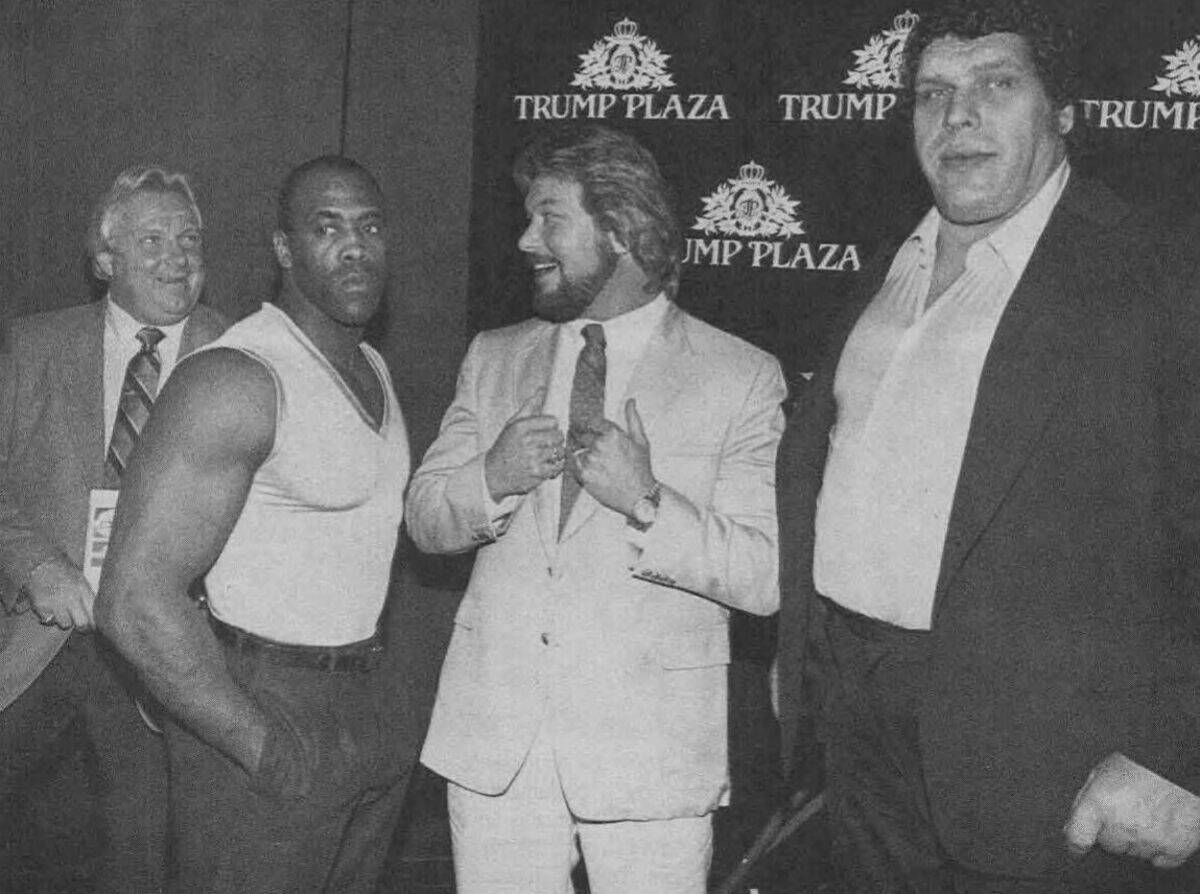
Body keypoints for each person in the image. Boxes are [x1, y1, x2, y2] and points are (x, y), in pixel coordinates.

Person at [773, 1, 1200, 891]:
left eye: (996, 84)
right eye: (932, 93)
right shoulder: (883, 272)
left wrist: (1179, 755)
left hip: (1052, 766)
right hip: (857, 744)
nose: (957, 115)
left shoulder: (1157, 273)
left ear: (1065, 111)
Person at [406, 123, 786, 894]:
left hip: (649, 758)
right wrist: (491, 478)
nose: (526, 240)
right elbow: (424, 518)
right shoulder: (493, 355)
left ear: (619, 228)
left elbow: (765, 575)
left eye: (549, 217)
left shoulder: (740, 375)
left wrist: (647, 500)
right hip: (498, 752)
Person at [95, 155, 414, 893]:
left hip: (362, 700)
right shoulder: (235, 376)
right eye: (327, 228)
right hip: (264, 704)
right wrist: (261, 746)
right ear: (284, 249)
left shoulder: (370, 363)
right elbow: (132, 602)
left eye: (369, 227)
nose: (355, 247)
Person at [0, 165, 225, 893]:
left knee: (144, 861)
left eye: (189, 239)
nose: (177, 257)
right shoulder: (34, 346)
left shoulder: (243, 353)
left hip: (169, 650)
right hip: (41, 640)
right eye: (152, 240)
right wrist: (36, 567)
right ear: (104, 259)